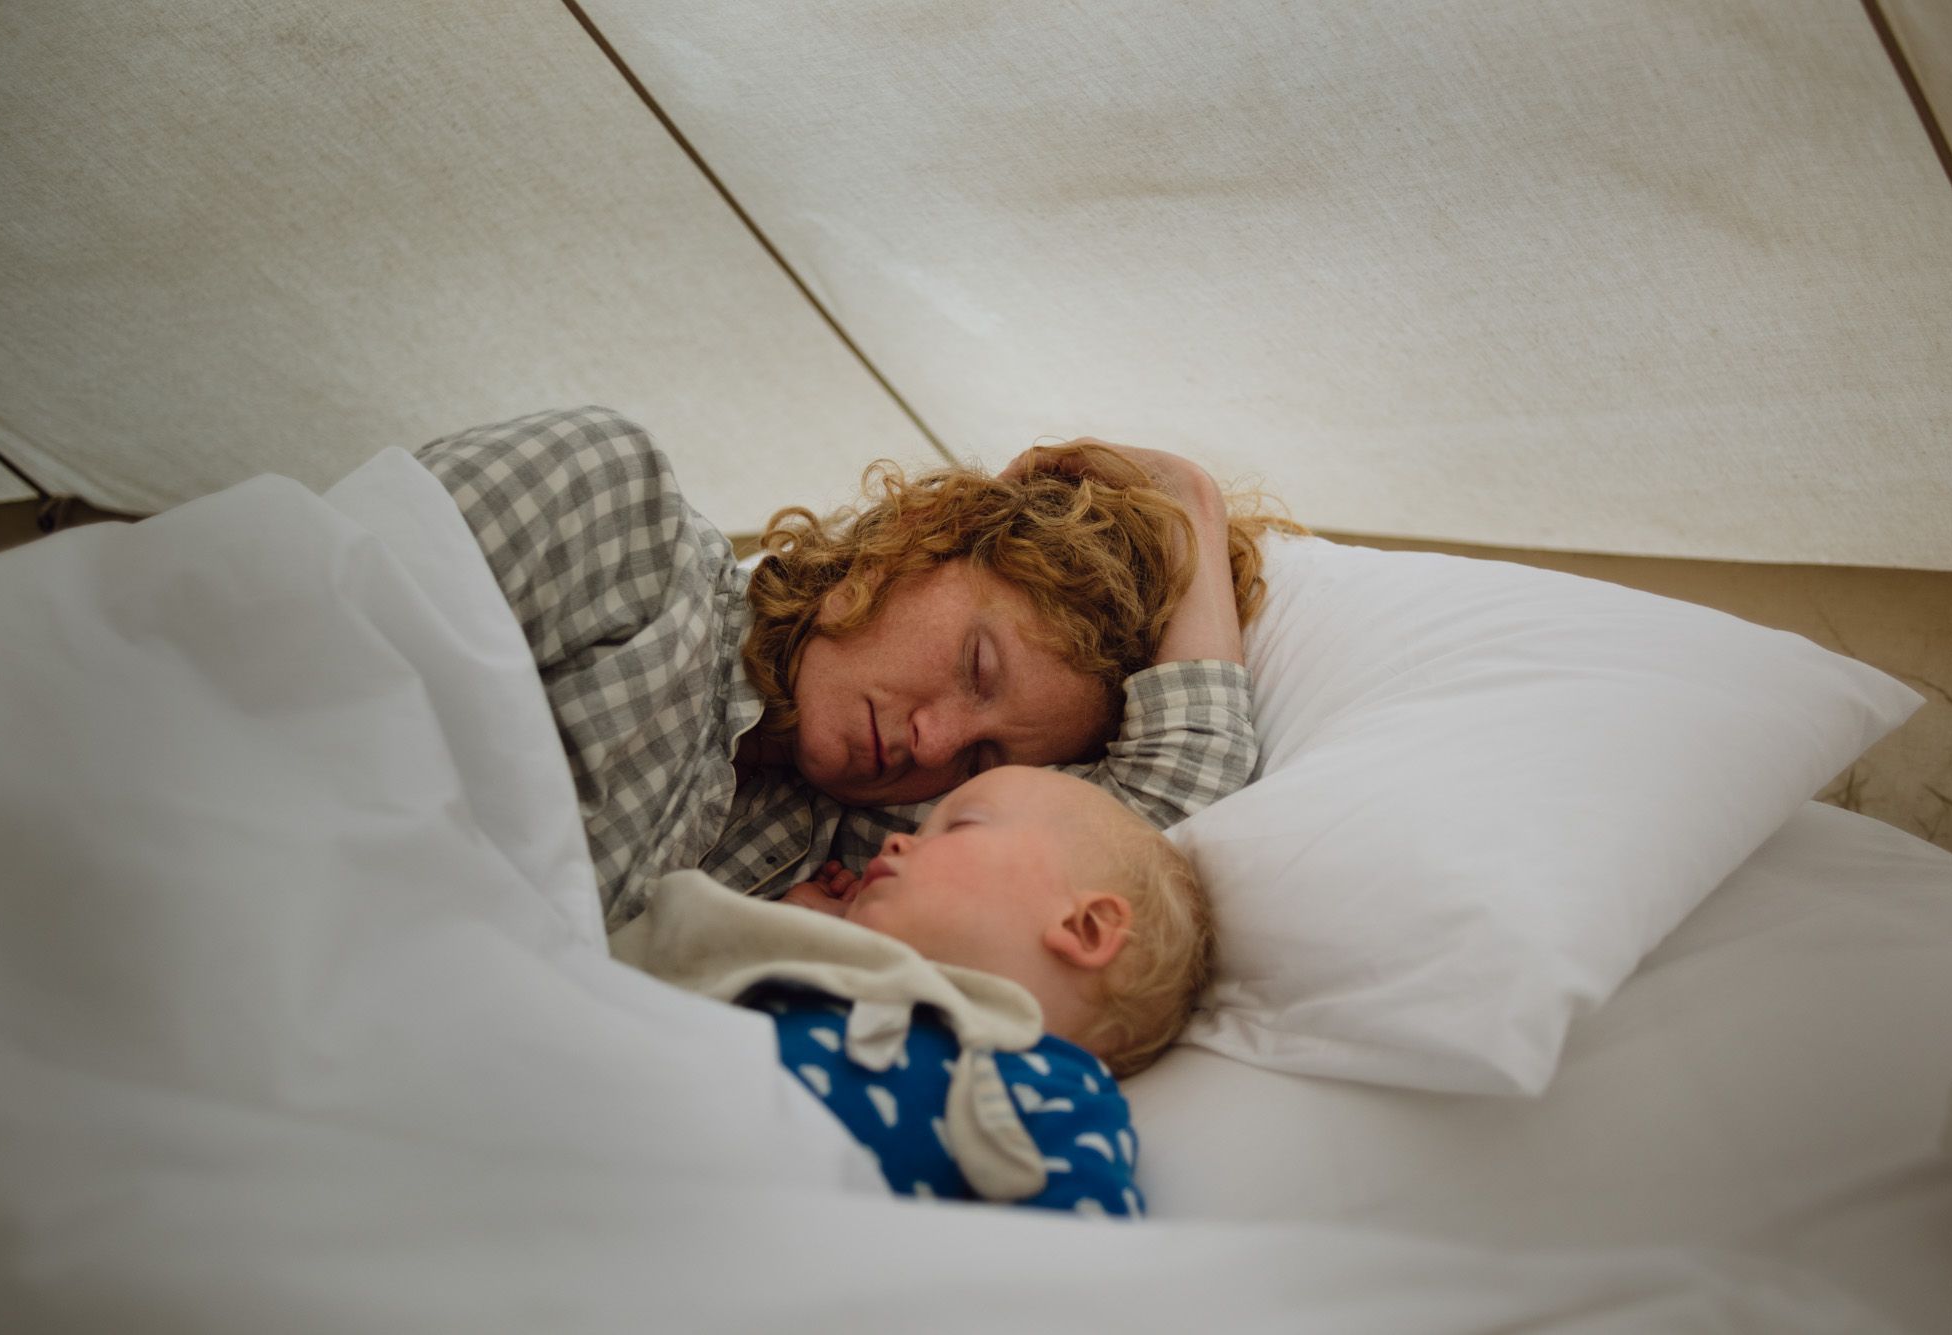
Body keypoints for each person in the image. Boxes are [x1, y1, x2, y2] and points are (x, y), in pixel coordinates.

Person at [417, 406, 1301, 929]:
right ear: (916, 542)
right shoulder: (614, 517)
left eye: (985, 759)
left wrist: (1194, 508)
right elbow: (314, 636)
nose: (935, 741)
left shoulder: (850, 851)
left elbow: (1163, 815)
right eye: (976, 665)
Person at [613, 763, 1213, 1215]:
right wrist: (797, 929)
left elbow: (1078, 1273)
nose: (896, 841)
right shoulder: (824, 977)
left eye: (962, 825)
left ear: (1084, 927)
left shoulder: (1050, 1086)